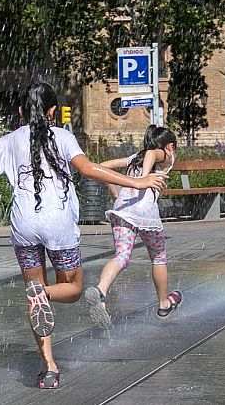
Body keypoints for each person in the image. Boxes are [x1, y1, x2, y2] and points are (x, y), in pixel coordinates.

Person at [0, 82, 166, 389]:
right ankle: (44, 294)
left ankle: (49, 367)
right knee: (72, 289)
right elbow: (88, 169)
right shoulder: (63, 136)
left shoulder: (8, 140)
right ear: (52, 111)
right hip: (57, 223)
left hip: (24, 225)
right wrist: (138, 183)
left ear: (20, 111)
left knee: (33, 294)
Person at [85, 125, 182, 329]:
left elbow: (102, 167)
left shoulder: (133, 158)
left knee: (121, 256)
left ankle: (101, 291)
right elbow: (151, 153)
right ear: (170, 145)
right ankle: (164, 303)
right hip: (145, 215)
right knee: (158, 257)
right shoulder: (166, 155)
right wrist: (143, 179)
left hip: (122, 211)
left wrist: (115, 192)